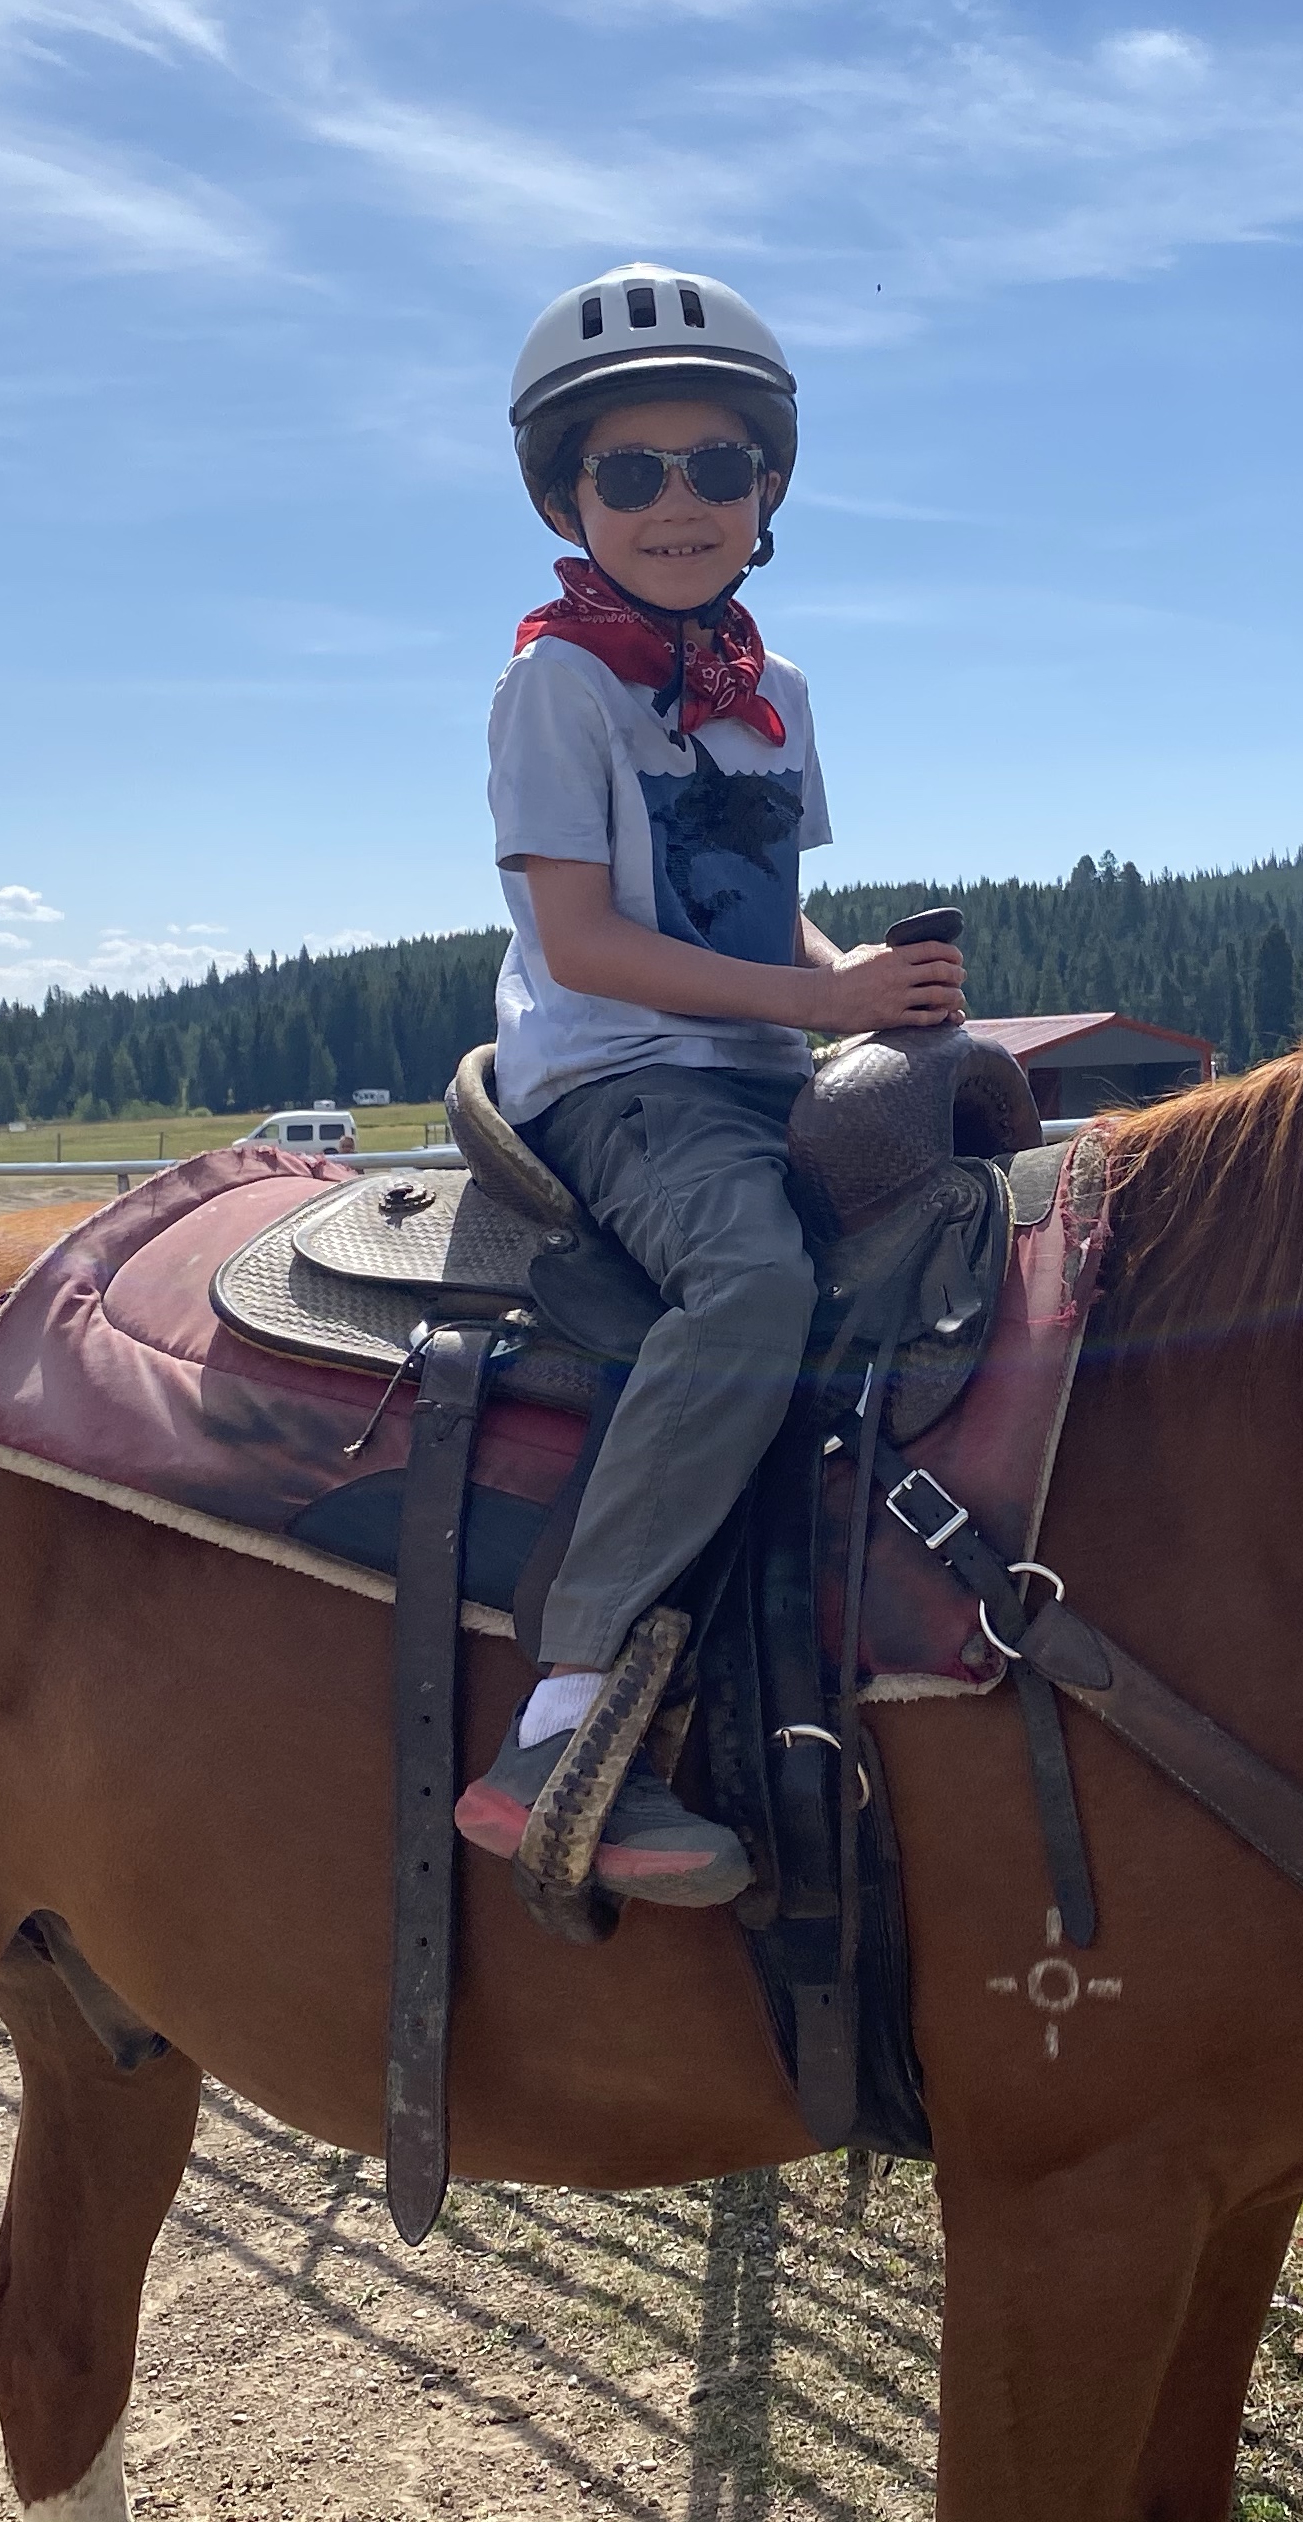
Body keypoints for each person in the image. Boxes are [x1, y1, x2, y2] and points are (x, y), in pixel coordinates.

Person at [452, 261, 963, 1905]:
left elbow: (756, 906)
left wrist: (862, 988)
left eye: (716, 465)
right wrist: (816, 1001)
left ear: (767, 489)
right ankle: (560, 1716)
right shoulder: (556, 684)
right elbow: (587, 942)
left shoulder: (773, 692)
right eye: (631, 471)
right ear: (568, 499)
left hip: (757, 1061)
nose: (678, 501)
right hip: (623, 1078)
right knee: (748, 1280)